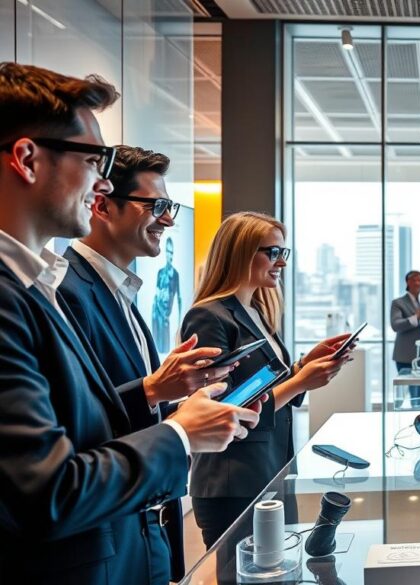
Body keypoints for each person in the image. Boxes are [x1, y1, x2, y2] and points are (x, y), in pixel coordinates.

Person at [0, 61, 258, 585]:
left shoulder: (37, 284)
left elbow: (73, 420)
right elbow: (46, 492)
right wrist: (179, 434)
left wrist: (151, 391)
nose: (99, 182)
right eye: (93, 159)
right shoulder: (18, 295)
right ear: (27, 159)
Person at [58, 145, 229, 582]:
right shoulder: (66, 291)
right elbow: (72, 421)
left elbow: (130, 408)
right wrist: (153, 391)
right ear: (102, 206)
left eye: (170, 207)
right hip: (104, 536)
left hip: (143, 523)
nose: (168, 220)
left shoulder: (122, 292)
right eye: (156, 206)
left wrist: (179, 403)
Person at [183, 211, 353, 548]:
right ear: (240, 254)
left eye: (283, 252)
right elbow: (221, 411)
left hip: (269, 469)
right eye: (273, 252)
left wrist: (304, 364)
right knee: (243, 570)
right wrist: (301, 381)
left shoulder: (256, 311)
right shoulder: (209, 316)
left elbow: (261, 386)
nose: (282, 262)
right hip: (234, 480)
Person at [390, 269, 420, 409]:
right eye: (414, 280)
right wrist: (415, 318)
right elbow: (395, 325)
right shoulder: (398, 303)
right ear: (407, 282)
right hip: (406, 355)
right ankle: (412, 417)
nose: (417, 283)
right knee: (412, 394)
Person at [152, 235, 181, 353]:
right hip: (158, 312)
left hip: (166, 315)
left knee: (166, 348)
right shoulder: (160, 273)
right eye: (168, 252)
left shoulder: (175, 274)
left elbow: (179, 298)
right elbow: (156, 294)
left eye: (172, 252)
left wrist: (180, 322)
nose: (170, 256)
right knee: (156, 348)